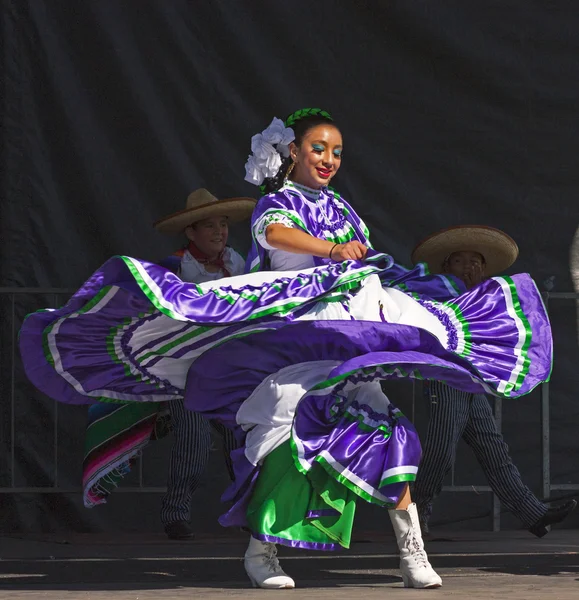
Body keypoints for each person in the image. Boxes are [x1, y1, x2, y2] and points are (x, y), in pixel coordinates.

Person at [19, 109, 552, 591]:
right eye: (319, 148)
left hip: (346, 334)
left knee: (387, 428)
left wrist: (354, 262)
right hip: (291, 338)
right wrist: (329, 250)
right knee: (280, 438)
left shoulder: (342, 206)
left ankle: (412, 553)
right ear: (293, 151)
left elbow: (355, 252)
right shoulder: (276, 204)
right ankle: (261, 552)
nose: (329, 159)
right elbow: (276, 235)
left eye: (337, 152)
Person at [81, 189, 255, 541]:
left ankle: (247, 514)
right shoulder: (173, 269)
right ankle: (176, 513)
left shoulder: (242, 265)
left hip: (233, 371)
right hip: (185, 372)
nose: (219, 232)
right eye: (209, 226)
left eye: (223, 224)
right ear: (191, 232)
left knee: (244, 441)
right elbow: (152, 314)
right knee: (193, 438)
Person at [410, 226, 577, 537]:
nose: (469, 267)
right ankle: (415, 512)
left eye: (476, 262)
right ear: (447, 266)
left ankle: (533, 513)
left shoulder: (487, 300)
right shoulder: (435, 292)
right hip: (446, 378)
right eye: (461, 261)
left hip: (472, 381)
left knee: (493, 448)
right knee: (441, 450)